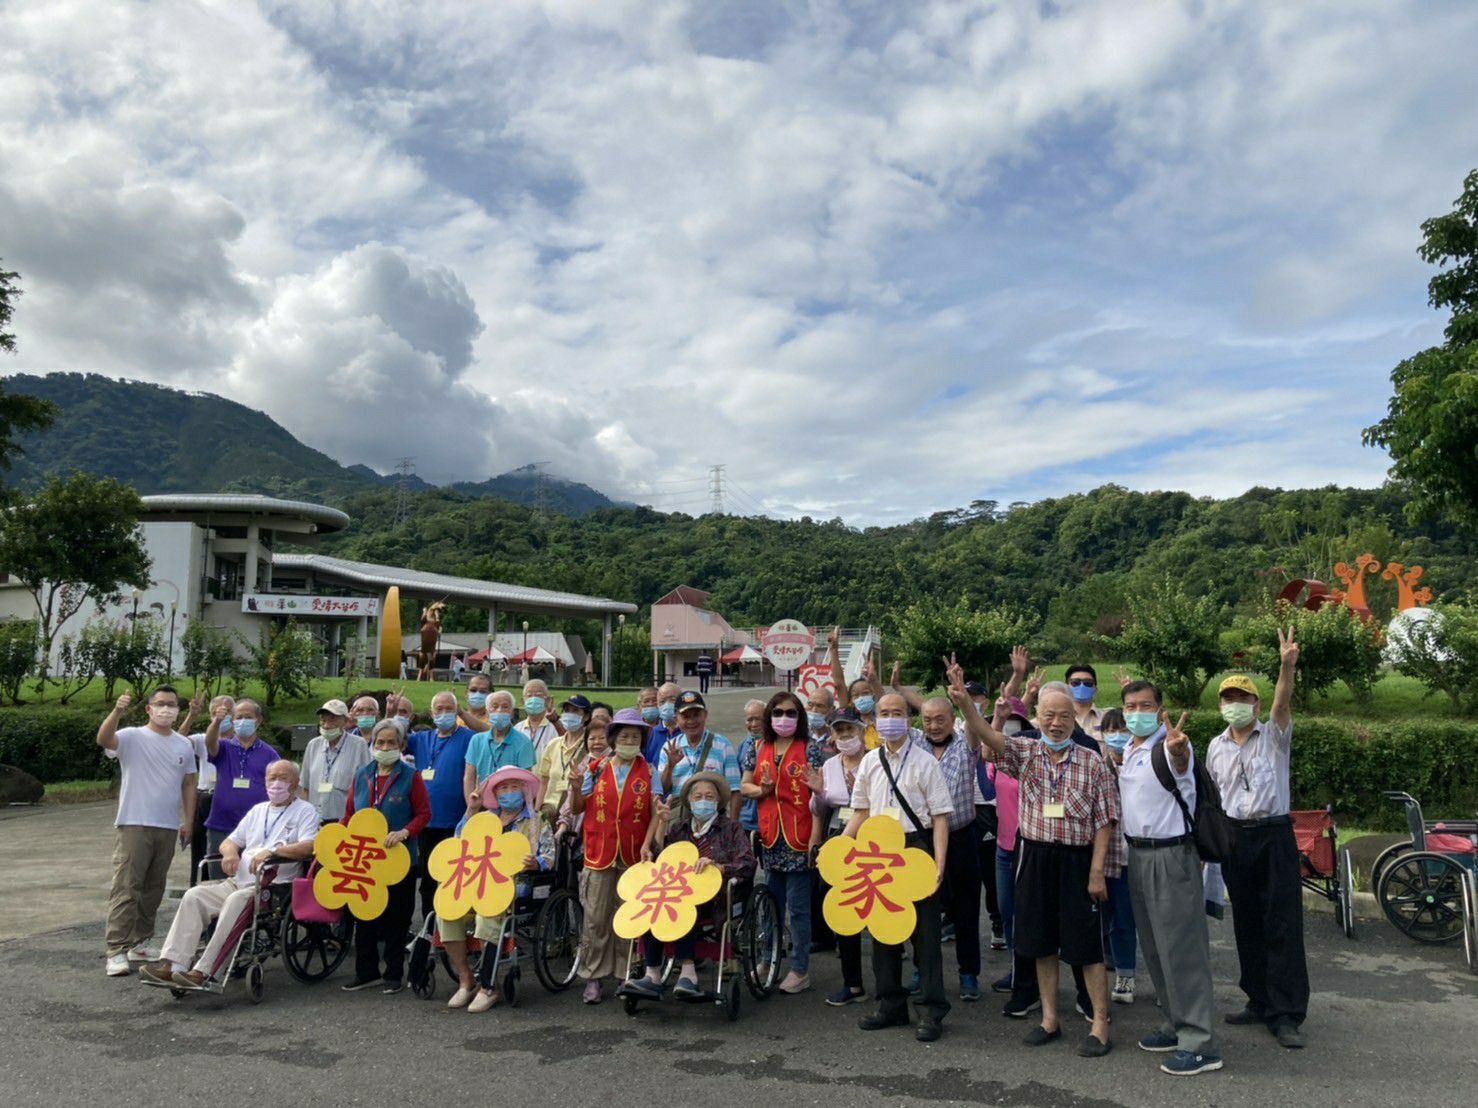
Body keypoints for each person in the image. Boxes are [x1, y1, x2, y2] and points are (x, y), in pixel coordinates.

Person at [951, 672, 1119, 1058]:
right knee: (1040, 942)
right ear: (1037, 716)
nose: (1055, 722)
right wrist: (964, 703)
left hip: (1078, 860)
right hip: (1035, 855)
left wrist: (1097, 871)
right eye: (1048, 714)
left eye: (1063, 715)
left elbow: (1105, 821)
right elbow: (991, 739)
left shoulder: (1093, 761)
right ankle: (1049, 1019)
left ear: (1073, 719)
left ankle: (1099, 1022)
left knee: (1086, 947)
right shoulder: (1024, 753)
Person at [1206, 628, 1307, 1049]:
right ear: (1221, 705)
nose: (1236, 705)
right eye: (1228, 699)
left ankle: (1285, 1014)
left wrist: (1286, 665)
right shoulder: (1214, 746)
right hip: (1234, 838)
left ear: (1256, 705)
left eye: (1243, 699)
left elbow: (1283, 703)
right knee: (1246, 921)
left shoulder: (1274, 738)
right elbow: (1212, 799)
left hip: (1273, 836)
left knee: (1281, 923)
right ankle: (1257, 999)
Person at [1117, 682, 1223, 1076]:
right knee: (1156, 947)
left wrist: (1179, 751)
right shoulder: (1131, 749)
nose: (1137, 712)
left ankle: (1200, 1043)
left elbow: (1181, 763)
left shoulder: (1170, 745)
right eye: (1131, 706)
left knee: (1183, 950)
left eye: (1146, 705)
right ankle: (1176, 1023)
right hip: (1139, 855)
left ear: (1160, 709)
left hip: (1171, 856)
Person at [139, 759, 317, 989]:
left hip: (273, 887)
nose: (276, 783)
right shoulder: (258, 810)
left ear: (295, 783)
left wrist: (272, 852)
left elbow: (309, 847)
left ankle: (205, 970)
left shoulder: (305, 811)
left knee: (236, 901)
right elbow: (229, 841)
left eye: (283, 778)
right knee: (194, 895)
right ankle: (174, 965)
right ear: (264, 781)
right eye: (272, 778)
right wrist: (231, 853)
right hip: (238, 881)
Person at [844, 692, 952, 1042]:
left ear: (909, 719)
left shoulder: (925, 762)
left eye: (898, 712)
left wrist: (938, 863)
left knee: (925, 936)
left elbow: (939, 818)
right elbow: (860, 810)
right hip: (878, 851)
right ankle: (890, 1004)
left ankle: (931, 1010)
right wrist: (842, 848)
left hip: (915, 850)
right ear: (875, 719)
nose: (890, 718)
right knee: (883, 932)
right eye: (884, 713)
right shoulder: (870, 762)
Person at [621, 772, 755, 998]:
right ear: (690, 801)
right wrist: (661, 824)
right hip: (677, 892)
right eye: (698, 796)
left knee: (685, 907)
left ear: (718, 802)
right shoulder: (680, 829)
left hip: (716, 897)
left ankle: (688, 973)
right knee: (654, 903)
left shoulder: (731, 829)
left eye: (709, 796)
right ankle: (652, 973)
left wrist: (718, 866)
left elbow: (747, 863)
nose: (703, 800)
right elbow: (660, 858)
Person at [96, 688, 196, 976]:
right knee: (127, 885)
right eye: (160, 704)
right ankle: (116, 948)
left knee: (154, 887)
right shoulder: (131, 736)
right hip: (134, 822)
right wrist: (117, 711)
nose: (166, 709)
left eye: (172, 705)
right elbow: (104, 739)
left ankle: (139, 942)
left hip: (166, 825)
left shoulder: (183, 745)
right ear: (149, 709)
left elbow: (189, 783)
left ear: (179, 709)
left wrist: (188, 820)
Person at [443, 767, 555, 1012]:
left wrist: (537, 862)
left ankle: (488, 986)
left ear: (524, 790)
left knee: (487, 917)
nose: (509, 792)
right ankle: (466, 980)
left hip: (515, 886)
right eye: (503, 788)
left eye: (514, 787)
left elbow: (549, 856)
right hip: (477, 881)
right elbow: (459, 842)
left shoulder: (535, 821)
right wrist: (472, 808)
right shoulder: (486, 818)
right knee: (446, 914)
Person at [740, 690, 825, 994]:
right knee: (770, 904)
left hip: (800, 837)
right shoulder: (759, 746)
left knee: (799, 908)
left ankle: (800, 969)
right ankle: (768, 957)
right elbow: (744, 785)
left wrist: (816, 838)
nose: (784, 718)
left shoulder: (810, 749)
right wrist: (762, 790)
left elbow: (819, 797)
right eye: (778, 713)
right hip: (770, 837)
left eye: (791, 713)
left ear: (799, 717)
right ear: (769, 716)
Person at [341, 720, 432, 993]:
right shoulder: (362, 774)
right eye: (380, 742)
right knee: (365, 915)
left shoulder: (410, 776)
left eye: (391, 743)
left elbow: (424, 814)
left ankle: (393, 973)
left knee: (397, 916)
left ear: (401, 746)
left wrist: (405, 832)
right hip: (364, 858)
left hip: (399, 858)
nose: (385, 747)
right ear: (372, 745)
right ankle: (366, 972)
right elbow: (348, 814)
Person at [573, 708, 656, 1004]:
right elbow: (578, 807)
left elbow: (656, 812)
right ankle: (593, 976)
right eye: (624, 736)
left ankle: (626, 973)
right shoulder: (595, 767)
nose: (629, 741)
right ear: (613, 739)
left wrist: (648, 845)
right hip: (599, 851)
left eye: (635, 736)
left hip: (634, 853)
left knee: (628, 916)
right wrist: (574, 784)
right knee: (596, 917)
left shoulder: (648, 770)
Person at [918, 691, 984, 1002]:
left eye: (939, 719)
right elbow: (888, 712)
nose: (933, 725)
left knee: (966, 909)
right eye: (927, 719)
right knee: (923, 909)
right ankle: (923, 970)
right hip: (925, 839)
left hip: (962, 836)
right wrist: (880, 685)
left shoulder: (965, 744)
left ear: (952, 720)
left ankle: (968, 974)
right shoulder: (916, 746)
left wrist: (962, 698)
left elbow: (973, 722)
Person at [812, 706, 870, 1006]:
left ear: (861, 729)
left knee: (879, 908)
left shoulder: (875, 761)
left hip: (873, 841)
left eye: (850, 729)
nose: (845, 735)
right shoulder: (829, 765)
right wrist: (819, 793)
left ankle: (893, 980)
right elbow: (820, 810)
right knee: (845, 909)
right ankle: (853, 983)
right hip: (838, 837)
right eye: (839, 730)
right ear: (832, 735)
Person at [406, 690, 477, 918]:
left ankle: (452, 929)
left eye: (449, 709)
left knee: (454, 879)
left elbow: (491, 734)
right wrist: (391, 713)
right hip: (426, 822)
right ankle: (428, 929)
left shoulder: (469, 738)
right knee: (427, 880)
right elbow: (392, 738)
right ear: (431, 712)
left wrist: (464, 714)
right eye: (439, 709)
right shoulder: (421, 738)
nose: (443, 713)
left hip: (456, 821)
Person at [202, 698, 278, 878]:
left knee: (250, 880)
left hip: (256, 828)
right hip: (221, 825)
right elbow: (209, 742)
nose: (243, 720)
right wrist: (217, 721)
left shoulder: (269, 753)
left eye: (248, 716)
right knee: (219, 879)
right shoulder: (224, 747)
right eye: (238, 717)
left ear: (258, 720)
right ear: (232, 720)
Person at [1094, 708, 1138, 1005]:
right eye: (1111, 730)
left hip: (1138, 856)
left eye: (1122, 728)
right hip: (1108, 858)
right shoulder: (1098, 767)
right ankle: (1118, 974)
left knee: (1136, 921)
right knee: (1109, 920)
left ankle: (1129, 974)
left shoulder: (1142, 762)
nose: (1117, 735)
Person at [657, 690, 742, 819]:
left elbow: (735, 790)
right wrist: (670, 766)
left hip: (714, 820)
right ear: (676, 719)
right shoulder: (670, 747)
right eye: (685, 716)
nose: (692, 721)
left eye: (696, 715)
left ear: (705, 715)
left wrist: (733, 827)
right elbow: (661, 789)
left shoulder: (722, 744)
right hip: (679, 820)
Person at [301, 698, 372, 824]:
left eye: (332, 719)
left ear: (345, 720)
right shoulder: (313, 745)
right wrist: (305, 818)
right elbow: (305, 787)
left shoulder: (358, 745)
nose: (327, 725)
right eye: (323, 720)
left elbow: (366, 787)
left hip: (344, 821)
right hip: (314, 821)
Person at [185, 695, 231, 887]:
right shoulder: (203, 739)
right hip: (206, 797)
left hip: (230, 799)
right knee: (201, 847)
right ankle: (198, 889)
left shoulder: (241, 741)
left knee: (227, 847)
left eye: (226, 712)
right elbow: (176, 741)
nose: (221, 716)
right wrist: (191, 716)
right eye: (215, 713)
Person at [536, 694, 592, 822]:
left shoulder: (589, 747)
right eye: (567, 711)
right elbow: (544, 782)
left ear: (586, 716)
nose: (570, 715)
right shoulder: (553, 744)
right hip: (548, 811)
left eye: (576, 711)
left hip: (574, 814)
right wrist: (536, 812)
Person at [736, 698, 766, 836]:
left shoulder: (776, 745)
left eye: (758, 719)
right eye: (749, 720)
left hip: (768, 819)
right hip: (746, 819)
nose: (753, 724)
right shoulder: (743, 746)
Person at [515, 678, 558, 759]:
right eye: (529, 696)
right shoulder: (517, 728)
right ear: (522, 701)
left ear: (547, 700)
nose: (533, 699)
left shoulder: (555, 727)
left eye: (538, 695)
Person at [643, 681, 682, 765]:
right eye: (662, 701)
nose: (667, 704)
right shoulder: (651, 733)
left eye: (672, 700)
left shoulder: (689, 731)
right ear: (657, 705)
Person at [1064, 664, 1106, 742]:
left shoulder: (1108, 717)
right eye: (1075, 683)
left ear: (1095, 689)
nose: (1082, 686)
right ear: (1066, 688)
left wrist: (1129, 692)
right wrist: (1033, 696)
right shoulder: (1057, 718)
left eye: (1088, 683)